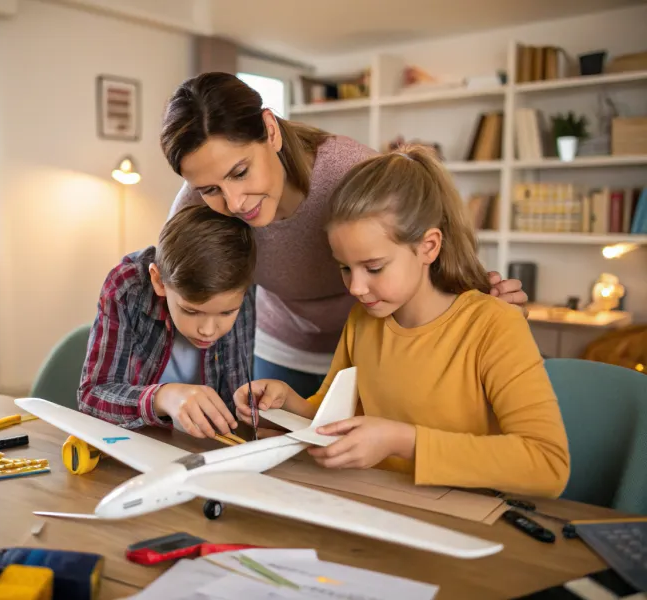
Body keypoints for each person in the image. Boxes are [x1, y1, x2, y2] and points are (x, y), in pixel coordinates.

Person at [162, 72, 527, 399]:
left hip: (372, 346)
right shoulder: (198, 200)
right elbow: (166, 281)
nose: (234, 202)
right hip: (281, 347)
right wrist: (164, 394)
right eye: (210, 189)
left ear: (270, 130)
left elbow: (426, 252)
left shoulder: (350, 172)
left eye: (240, 172)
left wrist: (484, 303)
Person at [233, 146, 570, 498]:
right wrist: (289, 402)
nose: (357, 287)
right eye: (345, 268)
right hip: (377, 504)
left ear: (428, 247)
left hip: (465, 517)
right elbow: (335, 416)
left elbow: (548, 465)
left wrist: (402, 441)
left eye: (374, 267)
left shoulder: (493, 324)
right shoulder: (364, 319)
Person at [78, 205, 255, 438]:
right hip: (134, 444)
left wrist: (254, 413)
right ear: (159, 281)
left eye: (226, 313)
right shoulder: (127, 288)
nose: (208, 331)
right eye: (191, 311)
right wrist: (163, 397)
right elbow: (91, 397)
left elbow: (234, 407)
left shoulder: (243, 289)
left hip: (200, 452)